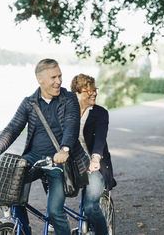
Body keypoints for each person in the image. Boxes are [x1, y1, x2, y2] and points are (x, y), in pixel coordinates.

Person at [0, 59, 88, 235]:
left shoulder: (69, 99)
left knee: (55, 211)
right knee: (9, 185)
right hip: (34, 157)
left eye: (60, 76)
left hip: (59, 162)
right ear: (40, 80)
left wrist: (65, 150)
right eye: (53, 77)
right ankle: (22, 229)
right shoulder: (30, 103)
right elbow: (13, 128)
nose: (59, 81)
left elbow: (71, 126)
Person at [70, 74, 116, 235]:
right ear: (77, 93)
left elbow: (100, 140)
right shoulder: (69, 112)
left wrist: (95, 158)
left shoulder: (101, 113)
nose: (94, 94)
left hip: (95, 165)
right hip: (72, 165)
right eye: (89, 91)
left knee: (90, 207)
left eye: (94, 90)